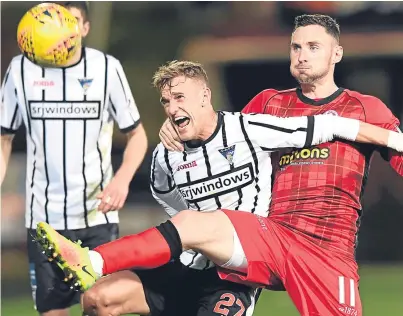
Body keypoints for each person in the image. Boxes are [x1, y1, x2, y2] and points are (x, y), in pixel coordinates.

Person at [34, 59, 403, 316]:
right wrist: (189, 235)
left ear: (205, 96)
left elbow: (328, 126)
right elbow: (169, 204)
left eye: (180, 97)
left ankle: (93, 260)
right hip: (188, 263)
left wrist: (395, 141)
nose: (171, 107)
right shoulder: (165, 156)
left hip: (234, 272)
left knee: (195, 224)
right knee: (98, 300)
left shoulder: (248, 128)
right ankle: (96, 268)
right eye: (166, 101)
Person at [157, 14, 403, 315]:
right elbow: (219, 136)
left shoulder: (365, 108)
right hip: (269, 240)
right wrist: (184, 126)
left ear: (336, 53)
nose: (301, 56)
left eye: (313, 47)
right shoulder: (268, 104)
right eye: (295, 47)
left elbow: (399, 152)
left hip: (327, 249)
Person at [0, 2, 148, 316]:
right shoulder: (20, 70)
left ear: (84, 28)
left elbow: (137, 134)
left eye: (73, 23)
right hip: (43, 219)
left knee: (102, 305)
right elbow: (4, 138)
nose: (63, 34)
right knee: (53, 311)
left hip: (97, 216)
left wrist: (121, 180)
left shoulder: (106, 68)